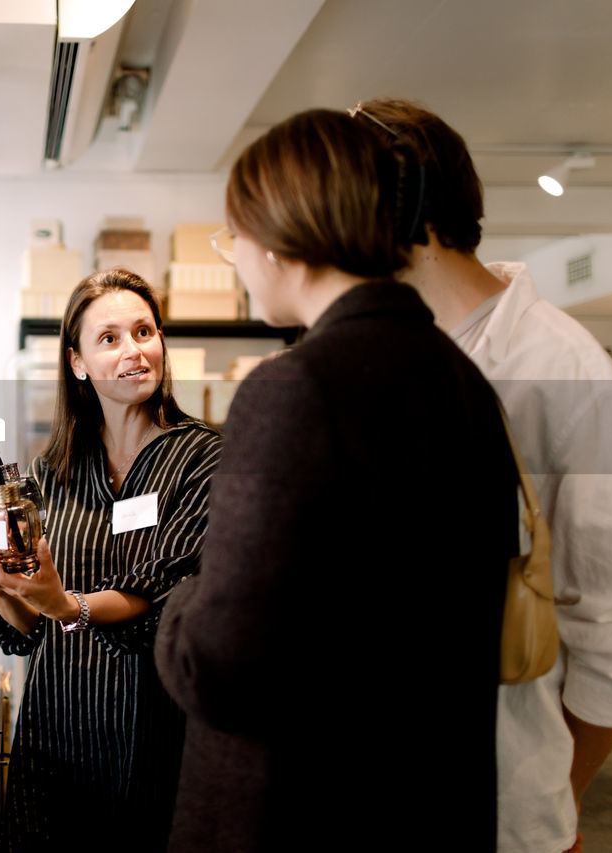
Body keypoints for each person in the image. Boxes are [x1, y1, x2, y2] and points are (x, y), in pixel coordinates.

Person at [154, 109, 521, 850]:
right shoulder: (464, 383)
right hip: (430, 805)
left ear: (284, 239)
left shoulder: (291, 388)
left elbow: (217, 666)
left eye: (237, 236)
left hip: (300, 811)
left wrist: (181, 594)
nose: (237, 258)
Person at [351, 97, 612, 853]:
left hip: (501, 809)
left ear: (404, 211)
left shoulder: (560, 368)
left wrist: (544, 804)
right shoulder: (389, 349)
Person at [0, 268, 222, 851]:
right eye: (109, 339)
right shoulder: (49, 473)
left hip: (154, 738)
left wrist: (65, 603)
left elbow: (167, 593)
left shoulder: (203, 457)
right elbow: (24, 630)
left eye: (144, 331)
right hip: (55, 735)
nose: (134, 351)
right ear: (78, 362)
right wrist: (2, 582)